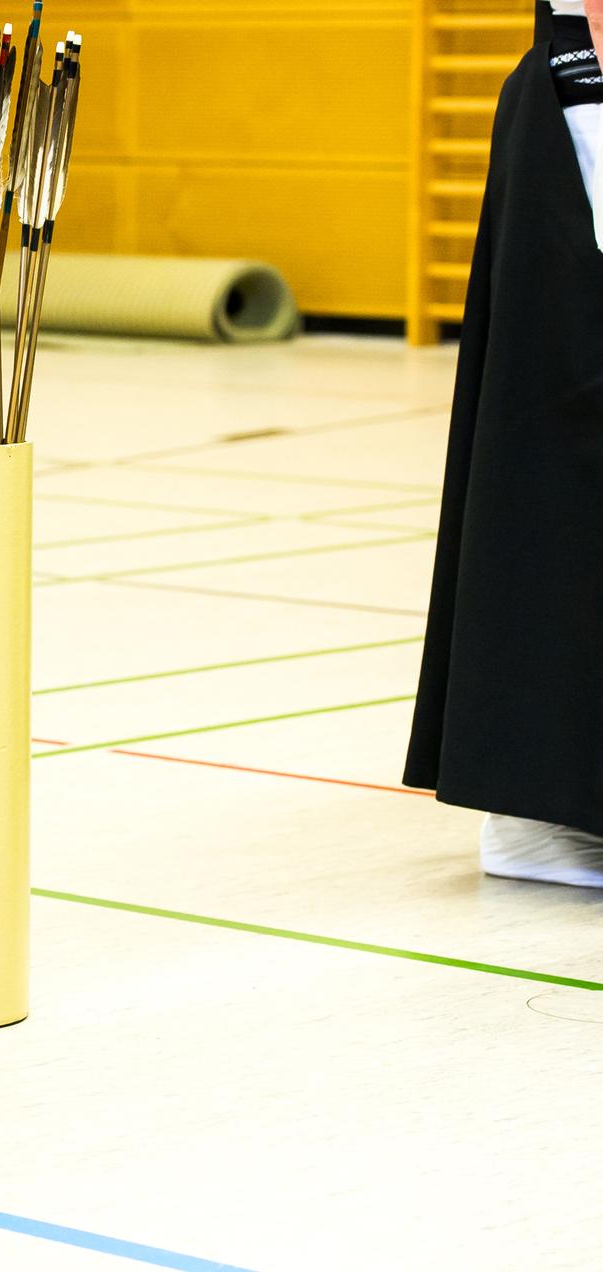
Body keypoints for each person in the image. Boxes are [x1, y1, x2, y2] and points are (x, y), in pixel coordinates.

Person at [405, 0, 603, 887]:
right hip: (574, 101)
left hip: (570, 96)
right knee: (551, 470)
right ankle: (541, 811)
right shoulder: (561, 80)